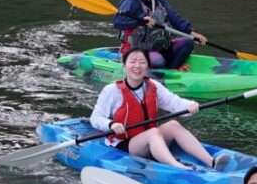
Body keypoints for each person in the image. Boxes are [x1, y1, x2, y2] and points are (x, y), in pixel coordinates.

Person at [89, 48, 229, 171]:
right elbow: (95, 118)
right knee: (153, 133)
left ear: (147, 68)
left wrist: (190, 105)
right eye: (133, 61)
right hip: (124, 144)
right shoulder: (112, 90)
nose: (137, 66)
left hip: (149, 138)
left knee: (173, 125)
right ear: (124, 67)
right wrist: (111, 124)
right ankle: (178, 167)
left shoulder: (153, 86)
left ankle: (211, 161)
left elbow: (173, 102)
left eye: (142, 62)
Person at [113, 0, 208, 70]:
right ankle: (166, 68)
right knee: (158, 61)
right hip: (137, 51)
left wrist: (191, 32)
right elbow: (118, 21)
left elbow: (173, 17)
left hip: (159, 46)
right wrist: (141, 20)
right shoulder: (131, 1)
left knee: (188, 43)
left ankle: (171, 69)